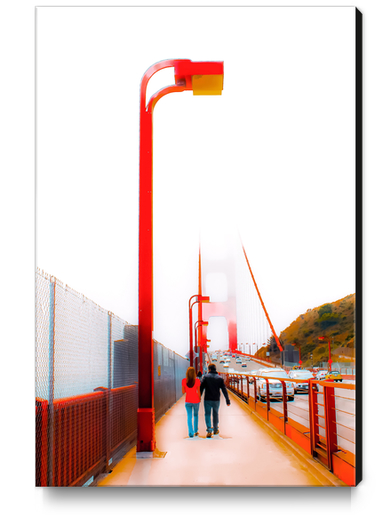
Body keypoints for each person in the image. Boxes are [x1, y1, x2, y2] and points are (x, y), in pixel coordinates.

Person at [200, 363, 230, 438]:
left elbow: (201, 388)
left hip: (207, 399)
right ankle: (216, 429)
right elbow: (224, 390)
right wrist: (227, 400)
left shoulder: (205, 377)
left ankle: (209, 430)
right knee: (215, 414)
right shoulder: (219, 378)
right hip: (216, 399)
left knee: (207, 414)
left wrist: (199, 397)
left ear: (209, 369)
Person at [182, 366, 201, 438]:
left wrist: (188, 390)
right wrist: (199, 398)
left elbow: (183, 391)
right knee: (196, 415)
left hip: (188, 401)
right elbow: (199, 392)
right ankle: (196, 431)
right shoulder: (197, 381)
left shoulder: (184, 380)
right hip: (196, 401)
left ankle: (190, 432)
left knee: (189, 416)